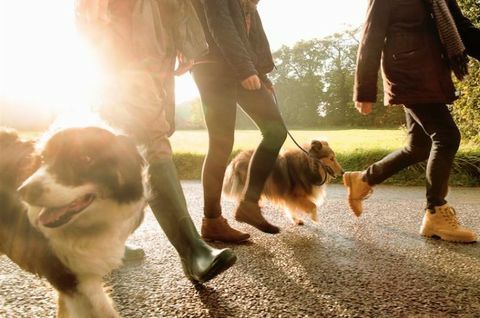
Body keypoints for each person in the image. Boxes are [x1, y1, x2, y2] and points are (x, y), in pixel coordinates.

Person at [75, 0, 236, 283]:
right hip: (119, 33)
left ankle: (106, 240)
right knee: (148, 139)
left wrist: (184, 38)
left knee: (124, 145)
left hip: (154, 39)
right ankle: (192, 249)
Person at [344, 0, 480, 242]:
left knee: (418, 147)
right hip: (407, 75)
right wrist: (364, 90)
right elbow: (370, 38)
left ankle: (364, 178)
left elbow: (462, 30)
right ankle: (435, 211)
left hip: (433, 74)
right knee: (447, 136)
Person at [190, 0, 288, 243]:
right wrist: (245, 69)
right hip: (212, 66)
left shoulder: (249, 5)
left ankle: (249, 204)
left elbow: (250, 37)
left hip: (240, 65)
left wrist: (261, 74)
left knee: (275, 131)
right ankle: (212, 221)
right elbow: (220, 24)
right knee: (221, 142)